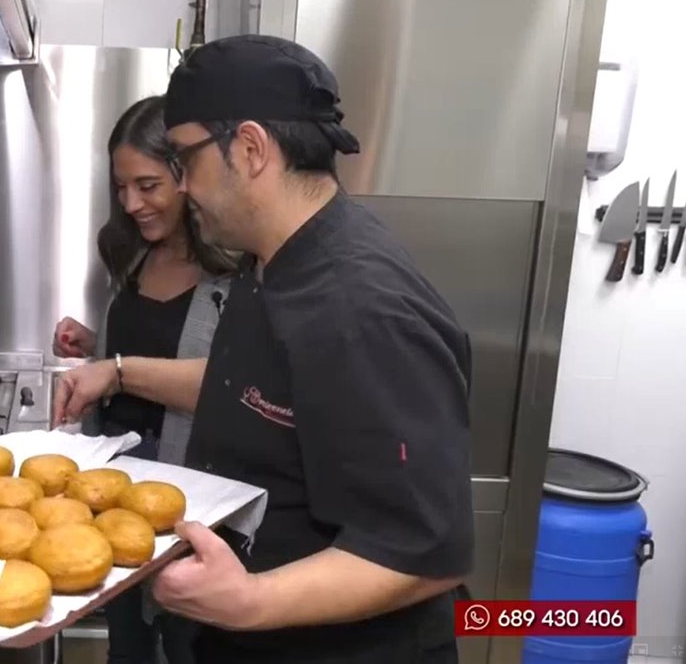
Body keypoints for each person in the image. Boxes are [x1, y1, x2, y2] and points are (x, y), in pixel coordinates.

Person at [51, 35, 475, 664]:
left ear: (249, 149)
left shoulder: (363, 307)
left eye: (185, 159)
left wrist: (250, 601)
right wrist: (115, 371)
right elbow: (252, 390)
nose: (183, 187)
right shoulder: (271, 261)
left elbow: (426, 553)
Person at [52, 95, 235, 664]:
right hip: (117, 488)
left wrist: (118, 368)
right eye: (122, 187)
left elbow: (229, 387)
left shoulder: (233, 270)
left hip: (191, 492)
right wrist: (97, 345)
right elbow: (138, 354)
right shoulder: (129, 253)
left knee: (187, 642)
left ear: (187, 178)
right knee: (127, 641)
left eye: (148, 185)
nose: (131, 203)